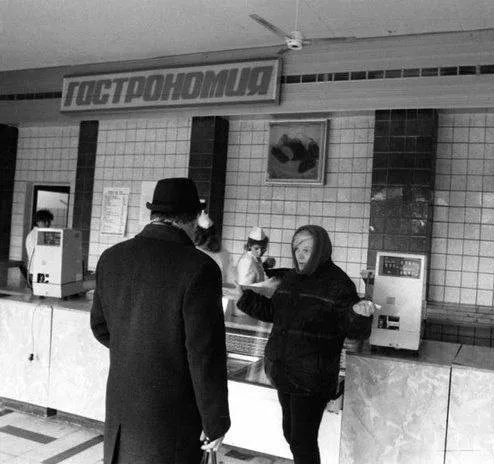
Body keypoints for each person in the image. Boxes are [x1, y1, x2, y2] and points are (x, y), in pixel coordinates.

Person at [90, 178, 230, 464]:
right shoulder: (200, 268)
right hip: (172, 416)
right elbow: (205, 354)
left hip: (121, 408)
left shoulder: (111, 257)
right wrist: (215, 421)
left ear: (154, 214)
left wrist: (136, 349)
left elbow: (100, 326)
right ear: (192, 219)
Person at [236, 224, 377, 464]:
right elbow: (274, 312)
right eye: (296, 249)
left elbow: (355, 330)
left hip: (312, 376)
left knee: (302, 440)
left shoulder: (338, 283)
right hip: (284, 370)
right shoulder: (292, 278)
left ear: (321, 250)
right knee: (291, 433)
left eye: (307, 250)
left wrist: (359, 315)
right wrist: (244, 298)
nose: (300, 255)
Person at [194, 211, 240, 316]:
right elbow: (232, 280)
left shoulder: (195, 252)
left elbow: (232, 281)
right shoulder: (224, 253)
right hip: (214, 302)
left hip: (207, 302)